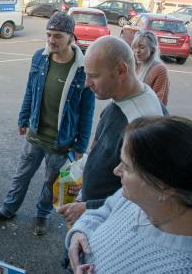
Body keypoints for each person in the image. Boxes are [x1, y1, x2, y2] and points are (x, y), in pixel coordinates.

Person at [66, 116, 192, 273]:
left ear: (164, 187)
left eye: (127, 167)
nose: (116, 170)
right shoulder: (139, 197)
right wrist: (80, 234)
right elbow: (104, 211)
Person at [0, 12, 95, 236]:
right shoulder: (40, 57)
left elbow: (87, 110)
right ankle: (8, 209)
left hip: (61, 141)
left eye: (57, 36)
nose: (51, 40)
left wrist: (81, 146)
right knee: (21, 175)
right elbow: (30, 91)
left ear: (70, 38)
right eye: (48, 34)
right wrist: (23, 118)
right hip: (35, 133)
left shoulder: (83, 68)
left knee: (50, 182)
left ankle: (41, 216)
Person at [58, 36, 165, 225]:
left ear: (121, 70)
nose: (86, 83)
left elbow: (143, 196)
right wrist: (83, 174)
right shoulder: (125, 96)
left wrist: (89, 207)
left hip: (105, 222)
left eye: (94, 76)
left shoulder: (142, 124)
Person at [131, 30, 170, 105]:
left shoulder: (160, 69)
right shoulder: (133, 64)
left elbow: (157, 102)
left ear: (152, 49)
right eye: (135, 47)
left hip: (147, 113)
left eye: (142, 47)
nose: (137, 51)